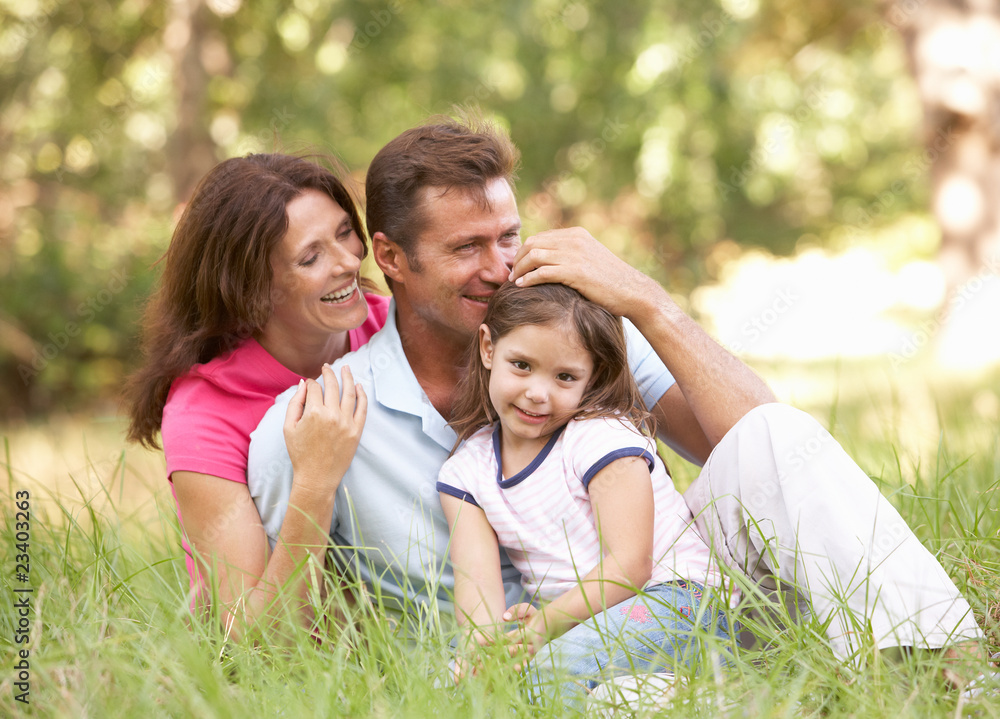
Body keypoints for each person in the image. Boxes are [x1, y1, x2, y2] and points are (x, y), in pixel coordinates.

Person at [247, 115, 983, 687]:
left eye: (509, 237)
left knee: (776, 433)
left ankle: (943, 670)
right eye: (468, 247)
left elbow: (755, 439)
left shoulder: (575, 341)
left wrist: (648, 303)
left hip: (677, 610)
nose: (502, 269)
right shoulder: (320, 420)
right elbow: (283, 642)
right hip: (516, 679)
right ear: (393, 258)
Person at [124, 153, 386, 632]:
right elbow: (249, 639)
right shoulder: (202, 412)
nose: (350, 263)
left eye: (345, 231)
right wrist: (314, 481)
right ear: (250, 288)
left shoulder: (391, 328)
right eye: (311, 257)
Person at [438, 281, 734, 701]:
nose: (537, 393)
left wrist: (542, 625)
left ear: (591, 377)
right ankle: (649, 693)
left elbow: (631, 566)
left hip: (681, 600)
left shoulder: (599, 437)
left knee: (546, 678)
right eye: (521, 364)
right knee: (454, 680)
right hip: (582, 620)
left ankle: (700, 693)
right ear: (489, 348)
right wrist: (483, 652)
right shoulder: (465, 474)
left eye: (564, 377)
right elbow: (478, 605)